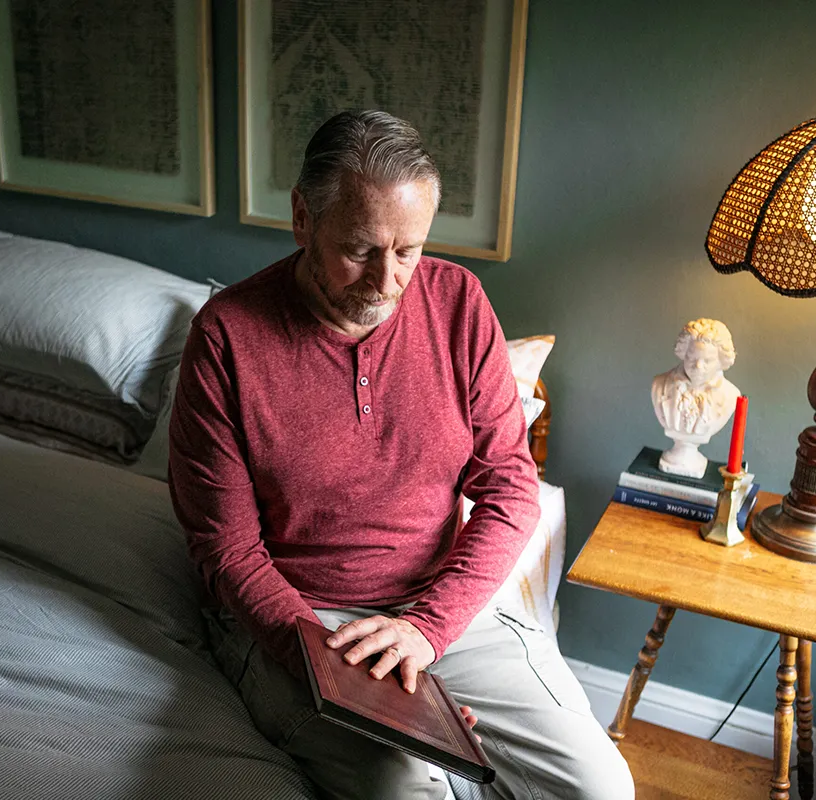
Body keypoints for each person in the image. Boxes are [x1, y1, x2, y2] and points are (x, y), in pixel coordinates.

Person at [168, 110, 633, 800]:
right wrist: (367, 683)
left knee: (600, 787)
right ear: (302, 218)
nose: (387, 280)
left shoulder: (458, 303)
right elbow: (226, 547)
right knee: (406, 786)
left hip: (442, 608)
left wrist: (428, 630)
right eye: (360, 249)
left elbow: (510, 487)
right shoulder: (228, 336)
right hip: (303, 620)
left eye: (409, 250)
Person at [651, 318, 741, 477]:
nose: (698, 366)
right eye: (691, 358)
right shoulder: (659, 385)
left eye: (708, 360)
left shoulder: (731, 396)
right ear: (683, 353)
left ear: (722, 361)